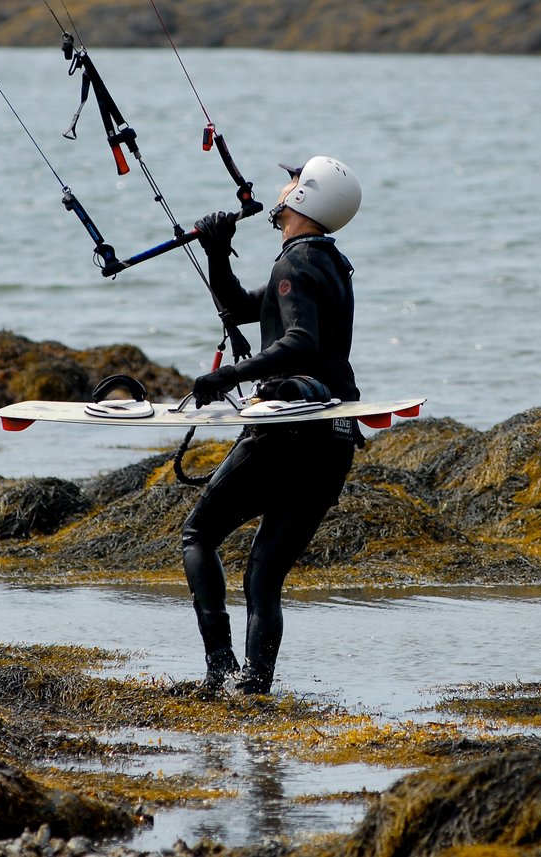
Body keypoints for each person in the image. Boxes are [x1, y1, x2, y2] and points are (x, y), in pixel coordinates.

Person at [182, 156, 363, 695]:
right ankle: (254, 688)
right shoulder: (329, 263)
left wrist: (229, 376)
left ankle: (220, 669)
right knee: (263, 574)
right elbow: (240, 308)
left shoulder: (295, 263)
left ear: (306, 196)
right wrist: (216, 252)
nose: (282, 190)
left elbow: (300, 341)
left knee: (198, 535)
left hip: (286, 432)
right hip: (333, 437)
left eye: (291, 181)